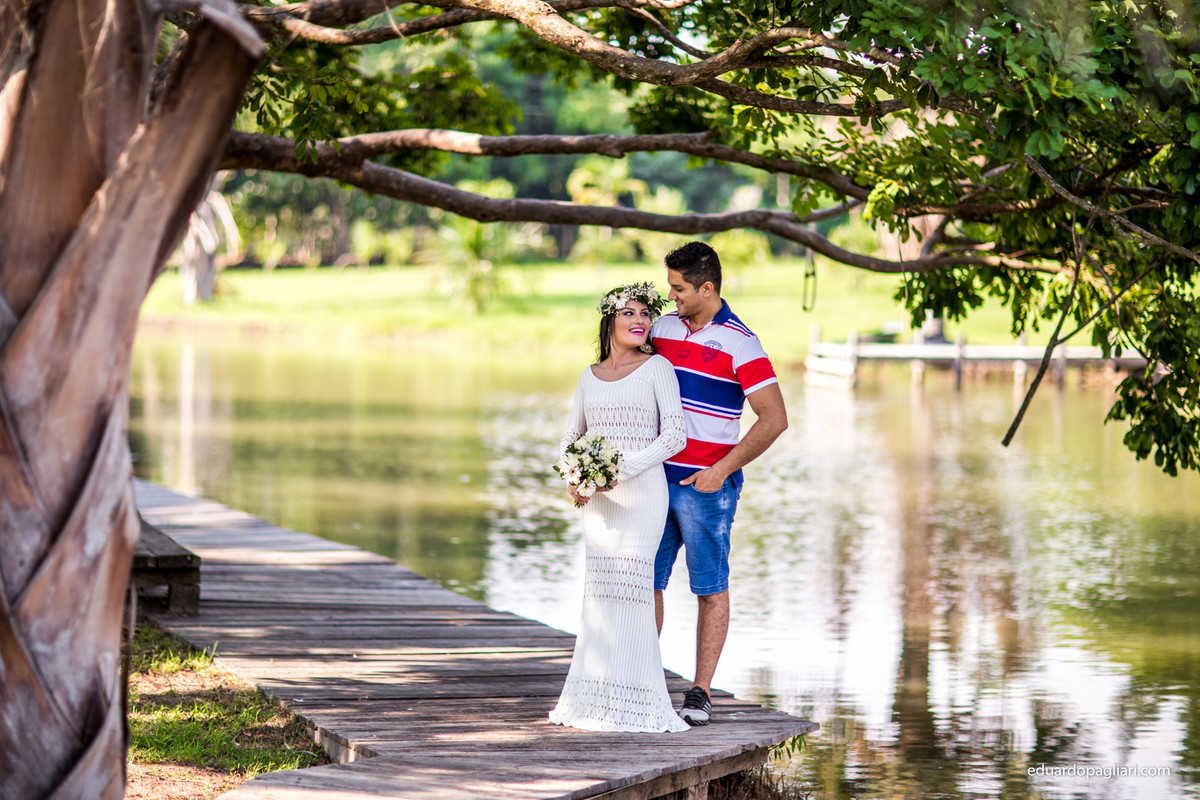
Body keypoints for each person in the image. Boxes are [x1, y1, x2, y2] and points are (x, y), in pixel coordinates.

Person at [650, 241, 788, 726]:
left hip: (706, 486)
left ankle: (700, 692)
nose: (672, 297)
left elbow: (774, 419)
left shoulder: (740, 342)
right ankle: (645, 679)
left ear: (707, 288)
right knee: (646, 581)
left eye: (679, 289)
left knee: (709, 587)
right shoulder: (663, 328)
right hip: (653, 482)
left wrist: (721, 471)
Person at [548, 282, 691, 733]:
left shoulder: (658, 369)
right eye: (630, 313)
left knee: (633, 593)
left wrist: (617, 470)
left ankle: (639, 701)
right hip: (599, 506)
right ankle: (598, 699)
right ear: (610, 319)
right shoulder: (589, 375)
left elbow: (675, 437)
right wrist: (577, 476)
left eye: (645, 315)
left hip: (642, 497)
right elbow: (571, 437)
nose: (640, 321)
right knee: (600, 598)